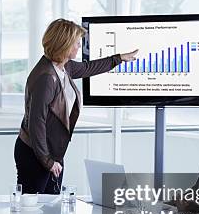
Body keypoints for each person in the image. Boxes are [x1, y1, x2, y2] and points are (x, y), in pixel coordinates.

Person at [15, 18, 138, 194]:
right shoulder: (46, 77)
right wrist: (48, 161)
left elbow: (90, 67)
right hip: (35, 154)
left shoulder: (64, 66)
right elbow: (37, 124)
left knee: (51, 210)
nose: (79, 46)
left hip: (49, 152)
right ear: (64, 44)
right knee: (33, 210)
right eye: (76, 42)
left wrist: (118, 59)